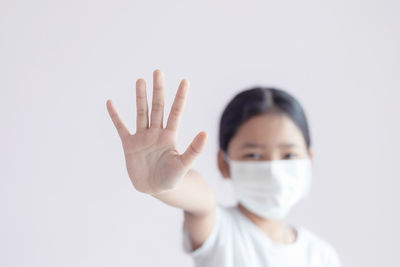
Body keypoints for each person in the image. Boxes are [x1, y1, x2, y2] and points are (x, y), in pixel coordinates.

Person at [106, 69, 342, 267]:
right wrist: (163, 185)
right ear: (224, 163)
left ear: (309, 159)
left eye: (289, 154)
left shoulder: (322, 256)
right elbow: (202, 202)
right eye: (254, 155)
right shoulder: (222, 232)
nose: (273, 169)